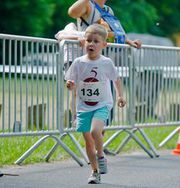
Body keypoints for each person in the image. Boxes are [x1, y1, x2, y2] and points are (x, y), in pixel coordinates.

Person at [65, 24, 126, 184]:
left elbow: (116, 80)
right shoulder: (78, 62)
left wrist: (121, 96)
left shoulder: (106, 63)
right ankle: (94, 172)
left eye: (95, 41)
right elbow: (70, 81)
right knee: (88, 141)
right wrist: (70, 85)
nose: (91, 44)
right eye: (88, 40)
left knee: (95, 131)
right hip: (83, 106)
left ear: (104, 45)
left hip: (102, 104)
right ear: (84, 42)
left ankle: (101, 156)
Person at [68, 0, 142, 48]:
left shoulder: (108, 10)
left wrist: (129, 41)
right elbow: (72, 13)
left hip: (104, 55)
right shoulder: (88, 5)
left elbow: (114, 31)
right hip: (87, 52)